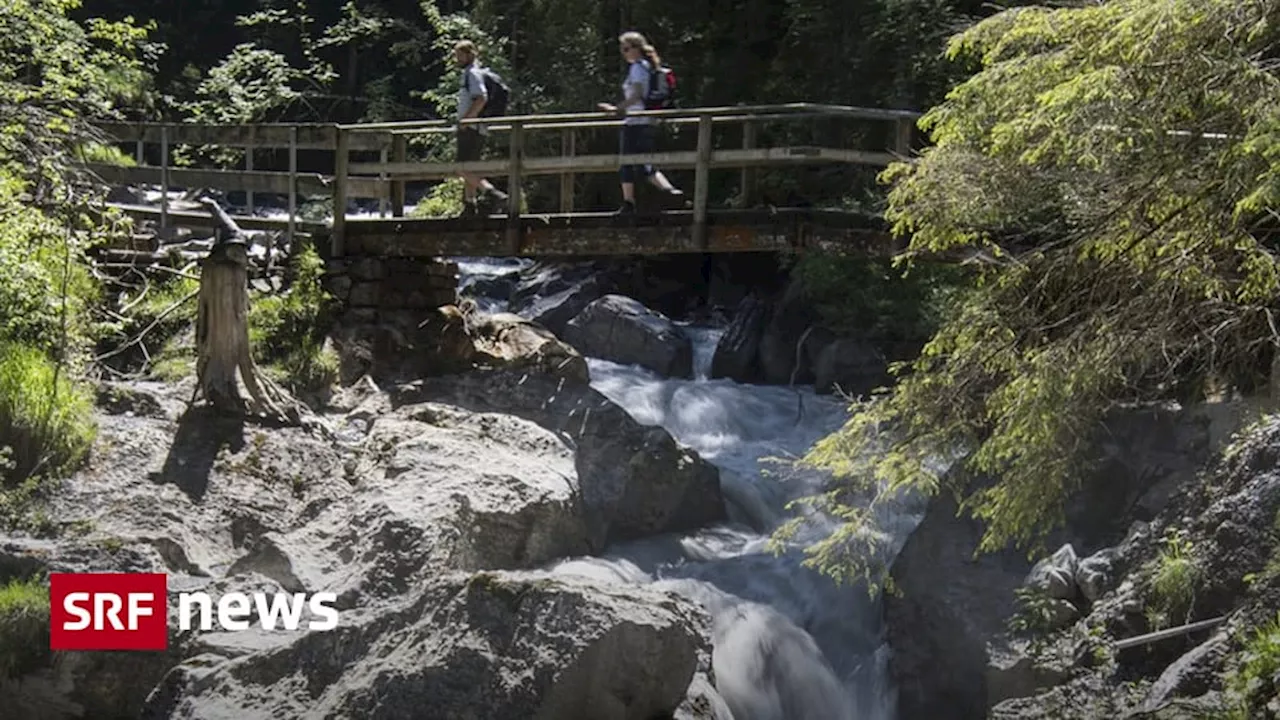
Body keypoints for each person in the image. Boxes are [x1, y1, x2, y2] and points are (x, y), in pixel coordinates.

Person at [598, 31, 684, 214]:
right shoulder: (648, 66)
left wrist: (616, 109)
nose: (624, 52)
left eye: (627, 48)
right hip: (648, 121)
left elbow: (636, 95)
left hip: (635, 122)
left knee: (626, 162)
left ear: (637, 49)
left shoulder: (637, 68)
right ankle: (669, 191)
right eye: (622, 49)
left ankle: (629, 202)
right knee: (643, 162)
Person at [454, 40, 508, 216]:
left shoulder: (472, 74)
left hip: (472, 128)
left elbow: (481, 98)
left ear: (469, 55)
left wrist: (466, 121)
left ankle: (493, 194)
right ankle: (470, 206)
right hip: (477, 127)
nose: (457, 59)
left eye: (459, 55)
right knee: (470, 168)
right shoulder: (472, 73)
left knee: (461, 168)